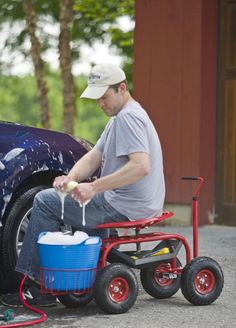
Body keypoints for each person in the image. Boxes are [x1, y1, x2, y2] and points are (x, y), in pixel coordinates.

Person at [1, 63, 165, 307]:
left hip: (126, 204)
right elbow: (94, 156)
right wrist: (71, 178)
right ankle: (86, 274)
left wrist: (94, 187)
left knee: (44, 201)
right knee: (67, 199)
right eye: (96, 98)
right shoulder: (120, 117)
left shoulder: (128, 118)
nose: (100, 104)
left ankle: (36, 286)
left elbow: (141, 166)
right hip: (129, 201)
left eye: (104, 96)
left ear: (121, 88)